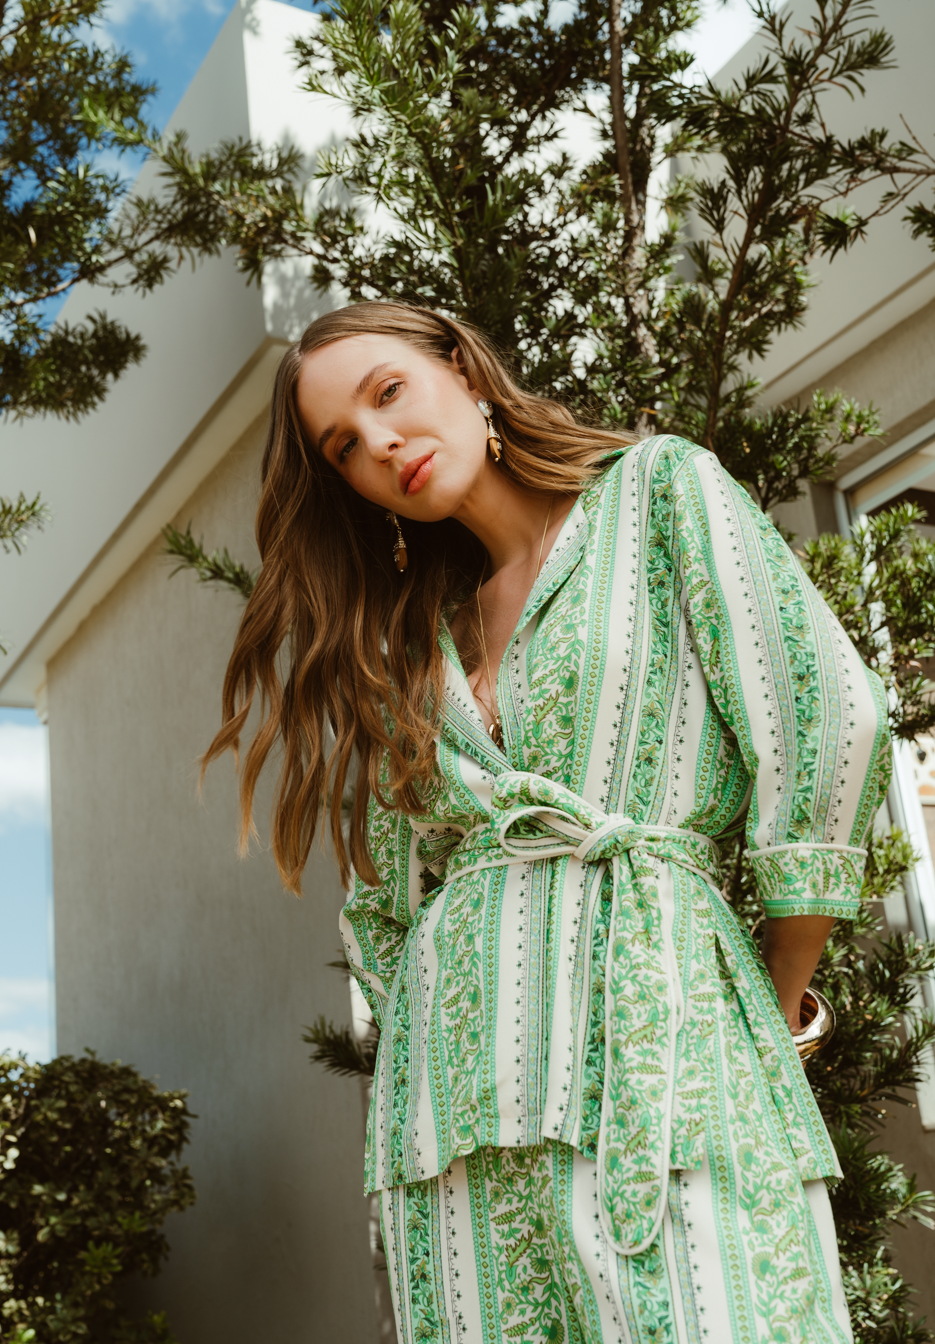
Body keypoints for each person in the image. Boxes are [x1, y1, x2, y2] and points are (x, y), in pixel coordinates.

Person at [208, 301, 891, 1344]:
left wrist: (773, 991)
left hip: (663, 1041)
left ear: (463, 370)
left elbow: (824, 713)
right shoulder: (412, 645)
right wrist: (416, 1052)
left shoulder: (657, 492)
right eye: (342, 446)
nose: (379, 443)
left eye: (388, 392)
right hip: (456, 1112)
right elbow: (389, 898)